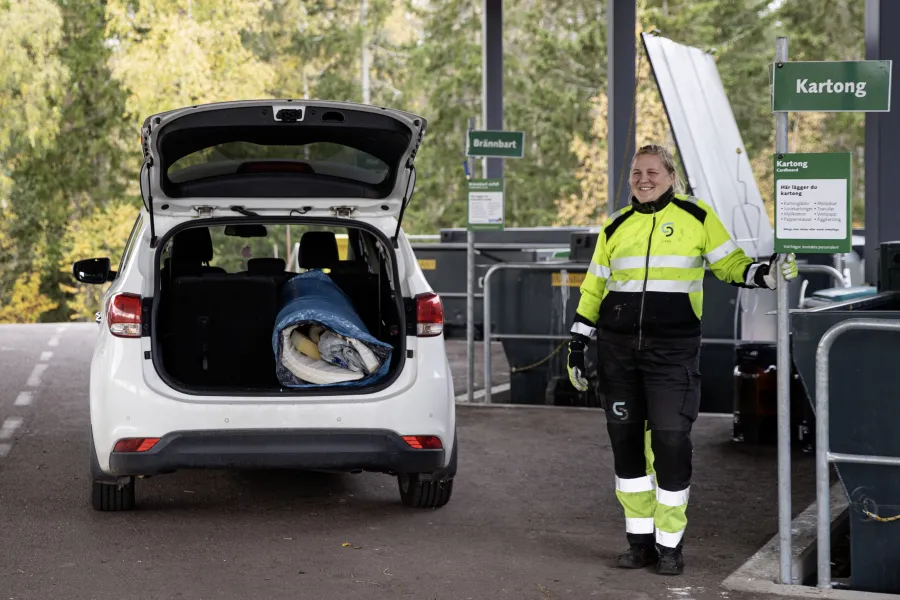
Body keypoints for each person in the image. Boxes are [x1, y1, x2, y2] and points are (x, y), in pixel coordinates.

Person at [566, 144, 797, 576]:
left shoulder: (697, 217)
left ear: (670, 175)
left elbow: (729, 264)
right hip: (617, 354)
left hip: (672, 354)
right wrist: (577, 343)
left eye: (652, 171)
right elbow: (594, 289)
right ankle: (640, 543)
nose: (643, 179)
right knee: (627, 450)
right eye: (637, 172)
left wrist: (764, 274)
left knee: (671, 444)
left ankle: (670, 544)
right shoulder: (614, 226)